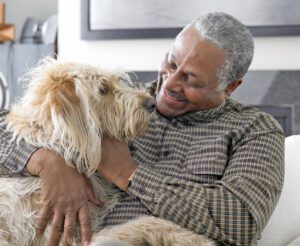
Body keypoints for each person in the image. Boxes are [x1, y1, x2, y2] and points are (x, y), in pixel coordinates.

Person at [0, 12, 284, 246]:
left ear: (231, 86)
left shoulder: (255, 131)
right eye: (171, 62)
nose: (170, 83)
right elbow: (21, 122)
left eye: (190, 80)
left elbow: (241, 220)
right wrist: (48, 162)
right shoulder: (119, 103)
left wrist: (129, 174)